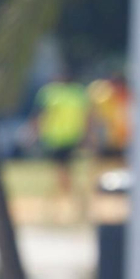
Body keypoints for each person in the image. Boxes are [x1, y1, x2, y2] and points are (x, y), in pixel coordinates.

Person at [34, 72, 92, 218]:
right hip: (63, 138)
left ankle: (65, 202)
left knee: (62, 172)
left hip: (60, 138)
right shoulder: (77, 93)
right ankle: (73, 202)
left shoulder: (51, 93)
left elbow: (40, 115)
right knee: (63, 172)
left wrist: (34, 132)